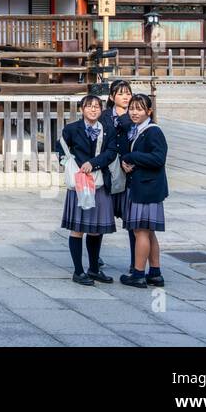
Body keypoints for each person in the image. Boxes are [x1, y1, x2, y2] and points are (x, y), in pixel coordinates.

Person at [55, 94, 118, 285]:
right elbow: (61, 150)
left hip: (99, 181)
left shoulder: (107, 129)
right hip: (80, 184)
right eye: (89, 106)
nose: (93, 110)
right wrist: (70, 166)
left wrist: (93, 163)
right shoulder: (72, 129)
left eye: (97, 106)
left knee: (96, 229)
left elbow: (111, 152)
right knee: (78, 228)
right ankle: (78, 271)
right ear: (82, 109)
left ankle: (93, 268)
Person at [119, 93, 168, 288]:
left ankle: (138, 274)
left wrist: (133, 156)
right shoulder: (137, 130)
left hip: (147, 188)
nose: (134, 112)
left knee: (140, 232)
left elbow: (158, 159)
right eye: (132, 108)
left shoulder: (153, 131)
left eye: (139, 109)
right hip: (146, 186)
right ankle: (155, 273)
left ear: (149, 111)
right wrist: (127, 160)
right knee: (149, 232)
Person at [104, 79, 135, 260]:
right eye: (121, 93)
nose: (126, 97)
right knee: (99, 218)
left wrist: (125, 116)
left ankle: (135, 261)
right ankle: (95, 260)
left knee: (132, 221)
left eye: (128, 93)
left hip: (128, 173)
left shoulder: (135, 115)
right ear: (111, 96)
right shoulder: (104, 115)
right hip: (108, 171)